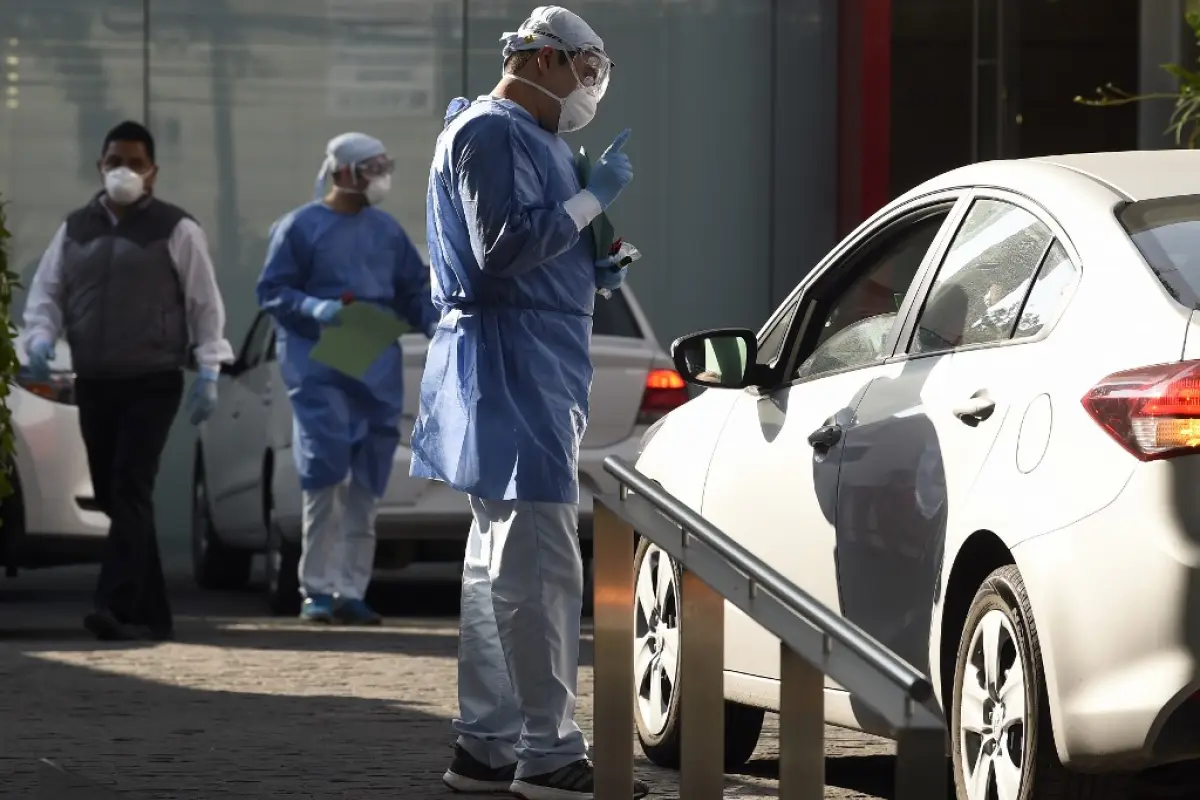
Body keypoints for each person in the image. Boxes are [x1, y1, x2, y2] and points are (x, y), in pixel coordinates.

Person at [411, 7, 648, 799]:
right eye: (584, 69)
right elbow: (504, 247)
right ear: (543, 59)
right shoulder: (490, 131)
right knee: (541, 563)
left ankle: (487, 746)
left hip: (525, 360)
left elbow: (535, 248)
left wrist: (594, 264)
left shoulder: (533, 140)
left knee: (495, 566)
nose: (590, 87)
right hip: (514, 363)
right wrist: (589, 204)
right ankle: (548, 754)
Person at [23, 120, 234, 642]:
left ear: (153, 172)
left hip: (153, 379)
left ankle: (112, 606)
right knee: (117, 498)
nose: (124, 171)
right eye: (115, 160)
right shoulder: (75, 228)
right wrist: (40, 339)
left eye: (135, 163)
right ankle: (152, 612)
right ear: (100, 165)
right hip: (94, 379)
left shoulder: (176, 228)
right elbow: (47, 294)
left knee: (130, 485)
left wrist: (209, 367)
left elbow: (204, 303)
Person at [257, 132, 438, 627]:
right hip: (319, 364)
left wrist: (439, 325)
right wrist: (313, 305)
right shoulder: (300, 228)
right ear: (341, 172)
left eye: (384, 165)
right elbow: (273, 291)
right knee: (324, 475)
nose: (380, 176)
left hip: (374, 363)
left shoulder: (387, 232)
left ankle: (351, 590)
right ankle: (316, 589)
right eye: (370, 167)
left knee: (368, 484)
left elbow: (414, 292)